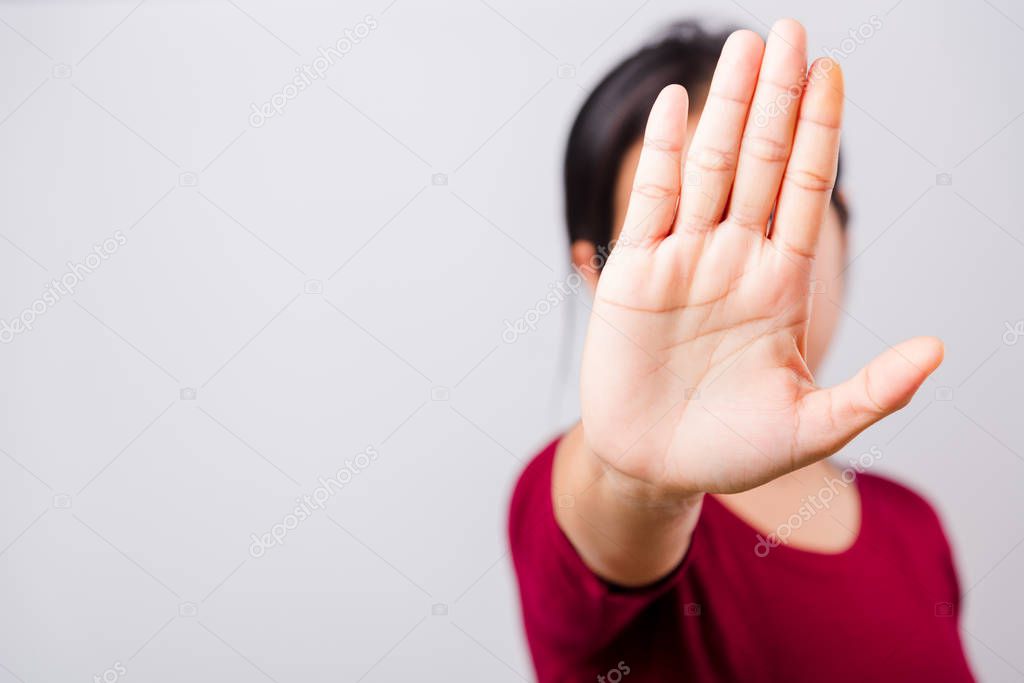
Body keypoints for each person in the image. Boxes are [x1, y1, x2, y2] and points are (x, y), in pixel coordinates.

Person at [508, 18, 976, 682]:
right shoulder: (573, 495)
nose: (737, 270)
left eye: (777, 212)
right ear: (596, 273)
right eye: (682, 230)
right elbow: (612, 509)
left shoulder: (914, 525)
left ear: (837, 215)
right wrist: (636, 477)